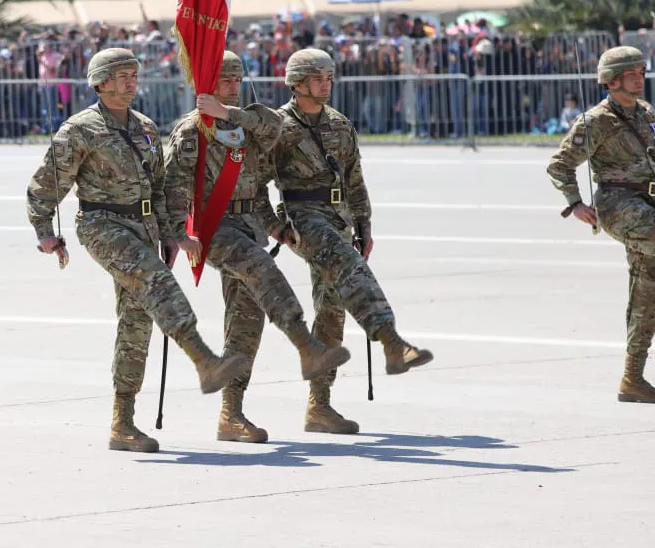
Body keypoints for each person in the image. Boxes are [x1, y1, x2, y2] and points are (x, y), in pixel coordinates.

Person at [27, 47, 249, 453]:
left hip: (143, 226)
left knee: (136, 323)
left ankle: (122, 423)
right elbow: (45, 185)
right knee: (155, 280)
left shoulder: (146, 126)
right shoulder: (79, 130)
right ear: (101, 83)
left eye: (133, 74)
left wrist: (173, 235)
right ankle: (203, 359)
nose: (131, 81)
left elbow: (161, 188)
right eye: (122, 75)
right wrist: (44, 230)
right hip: (102, 224)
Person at [164, 51, 351, 443]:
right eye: (225, 81)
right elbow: (173, 185)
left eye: (236, 80)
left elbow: (274, 128)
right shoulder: (192, 130)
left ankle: (231, 415)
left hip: (250, 226)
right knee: (264, 270)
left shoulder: (245, 125)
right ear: (207, 86)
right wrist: (178, 233)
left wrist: (274, 226)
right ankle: (307, 346)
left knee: (246, 322)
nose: (233, 87)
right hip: (215, 228)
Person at [264, 48, 434, 434]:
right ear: (297, 83)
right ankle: (391, 341)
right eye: (318, 78)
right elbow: (256, 182)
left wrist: (364, 225)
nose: (327, 84)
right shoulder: (277, 127)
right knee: (347, 266)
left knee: (331, 309)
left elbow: (354, 179)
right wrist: (276, 224)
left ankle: (319, 407)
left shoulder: (339, 124)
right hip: (303, 219)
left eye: (329, 77)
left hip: (338, 219)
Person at [550, 46, 655, 404]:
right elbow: (560, 164)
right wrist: (575, 203)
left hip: (648, 205)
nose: (641, 76)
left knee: (649, 292)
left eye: (642, 70)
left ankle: (632, 379)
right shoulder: (595, 121)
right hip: (619, 205)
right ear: (613, 80)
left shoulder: (647, 112)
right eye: (633, 72)